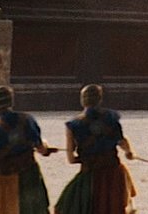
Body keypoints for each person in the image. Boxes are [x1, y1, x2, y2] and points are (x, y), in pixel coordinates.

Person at [0, 85, 58, 214]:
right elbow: (40, 147)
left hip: (4, 178)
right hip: (30, 176)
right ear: (11, 101)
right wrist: (45, 148)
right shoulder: (27, 120)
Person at [55, 84, 136, 214]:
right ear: (100, 99)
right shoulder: (111, 118)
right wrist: (129, 152)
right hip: (113, 173)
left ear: (82, 100)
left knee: (65, 206)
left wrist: (84, 157)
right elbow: (122, 141)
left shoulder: (73, 125)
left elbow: (71, 159)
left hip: (90, 173)